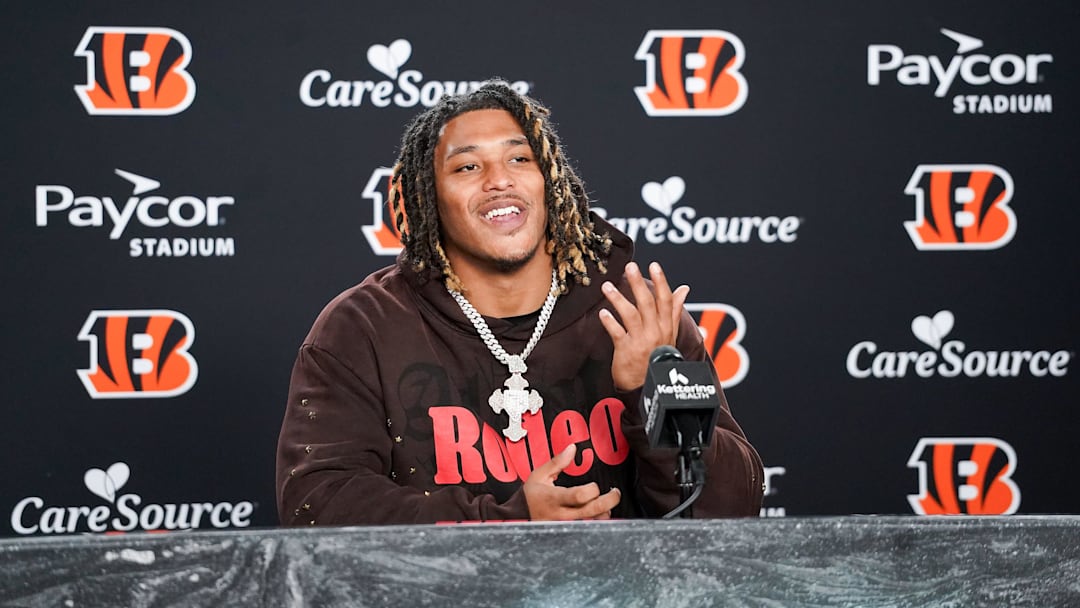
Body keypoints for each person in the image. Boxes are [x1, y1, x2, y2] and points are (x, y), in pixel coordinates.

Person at [276, 80, 763, 525]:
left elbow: (730, 509)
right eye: (468, 166)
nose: (499, 180)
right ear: (428, 199)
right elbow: (317, 506)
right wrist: (505, 522)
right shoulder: (361, 328)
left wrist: (653, 391)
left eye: (520, 159)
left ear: (549, 180)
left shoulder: (638, 313)